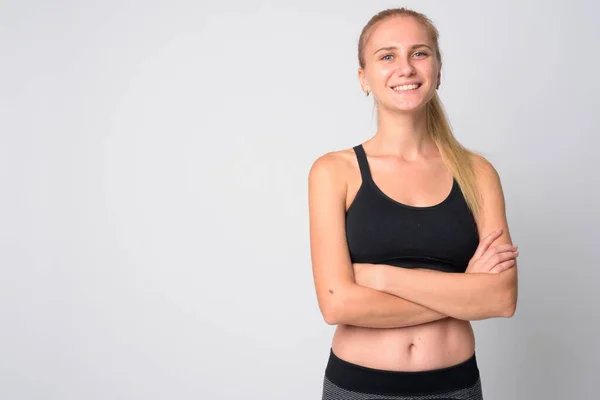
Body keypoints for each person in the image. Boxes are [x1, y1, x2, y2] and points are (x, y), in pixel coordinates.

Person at [308, 7, 519, 400]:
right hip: (359, 387)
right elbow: (337, 305)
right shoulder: (334, 172)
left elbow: (502, 298)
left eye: (419, 53)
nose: (405, 67)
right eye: (387, 56)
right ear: (363, 78)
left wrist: (382, 277)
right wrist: (464, 292)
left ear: (438, 71)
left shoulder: (478, 172)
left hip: (454, 386)